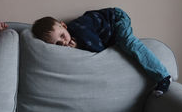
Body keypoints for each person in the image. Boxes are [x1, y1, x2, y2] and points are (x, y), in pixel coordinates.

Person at [32, 7, 171, 96]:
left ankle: (163, 77)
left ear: (64, 25)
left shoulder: (80, 30)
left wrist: (78, 46)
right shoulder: (69, 39)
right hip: (108, 33)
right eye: (58, 43)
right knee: (121, 48)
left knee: (130, 43)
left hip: (116, 19)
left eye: (62, 35)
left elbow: (99, 49)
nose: (63, 42)